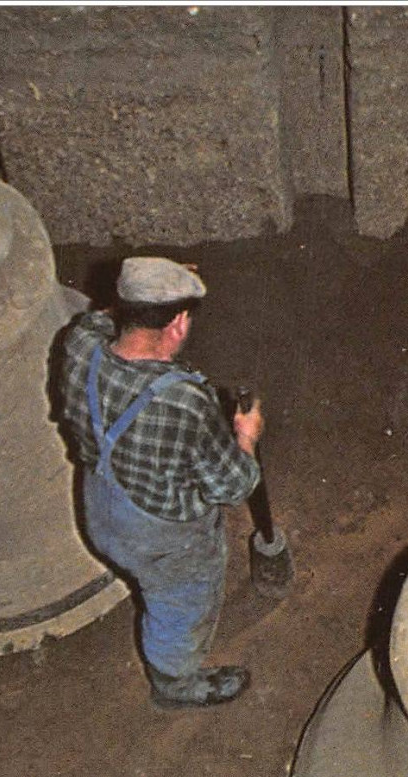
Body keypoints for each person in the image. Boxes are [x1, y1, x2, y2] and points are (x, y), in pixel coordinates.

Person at [58, 257, 263, 708]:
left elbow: (97, 319)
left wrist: (147, 289)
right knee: (178, 610)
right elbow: (233, 486)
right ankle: (175, 687)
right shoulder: (184, 402)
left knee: (144, 575)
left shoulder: (79, 345)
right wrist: (246, 437)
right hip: (164, 541)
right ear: (179, 323)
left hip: (100, 508)